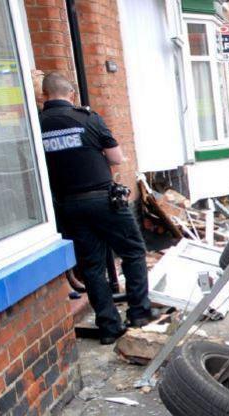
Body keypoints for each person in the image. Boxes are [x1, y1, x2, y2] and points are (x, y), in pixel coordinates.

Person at [39, 72, 153, 344]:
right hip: (104, 200)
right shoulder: (88, 118)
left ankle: (108, 327)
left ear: (44, 96)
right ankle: (138, 314)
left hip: (68, 205)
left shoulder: (37, 125)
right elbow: (115, 157)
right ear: (72, 95)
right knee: (133, 252)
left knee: (91, 267)